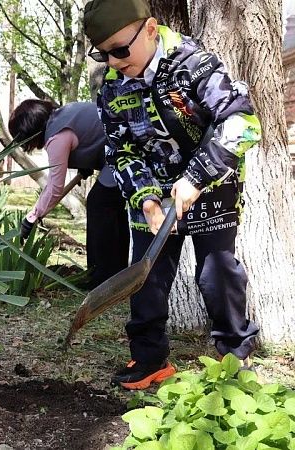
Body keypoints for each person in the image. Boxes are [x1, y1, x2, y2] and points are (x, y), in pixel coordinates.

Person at [83, 0, 261, 389]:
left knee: (218, 275)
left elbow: (242, 122)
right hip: (153, 192)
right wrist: (146, 198)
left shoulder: (194, 64)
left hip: (212, 184)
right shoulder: (112, 86)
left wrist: (195, 178)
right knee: (147, 277)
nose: (112, 62)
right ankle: (149, 360)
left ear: (149, 29)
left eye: (119, 50)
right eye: (103, 53)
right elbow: (119, 149)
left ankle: (234, 359)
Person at [8, 100, 130, 288]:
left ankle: (101, 277)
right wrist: (86, 163)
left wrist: (33, 216)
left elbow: (55, 187)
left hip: (123, 152)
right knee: (111, 207)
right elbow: (90, 135)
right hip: (123, 147)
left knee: (99, 204)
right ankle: (117, 273)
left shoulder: (56, 135)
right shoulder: (63, 115)